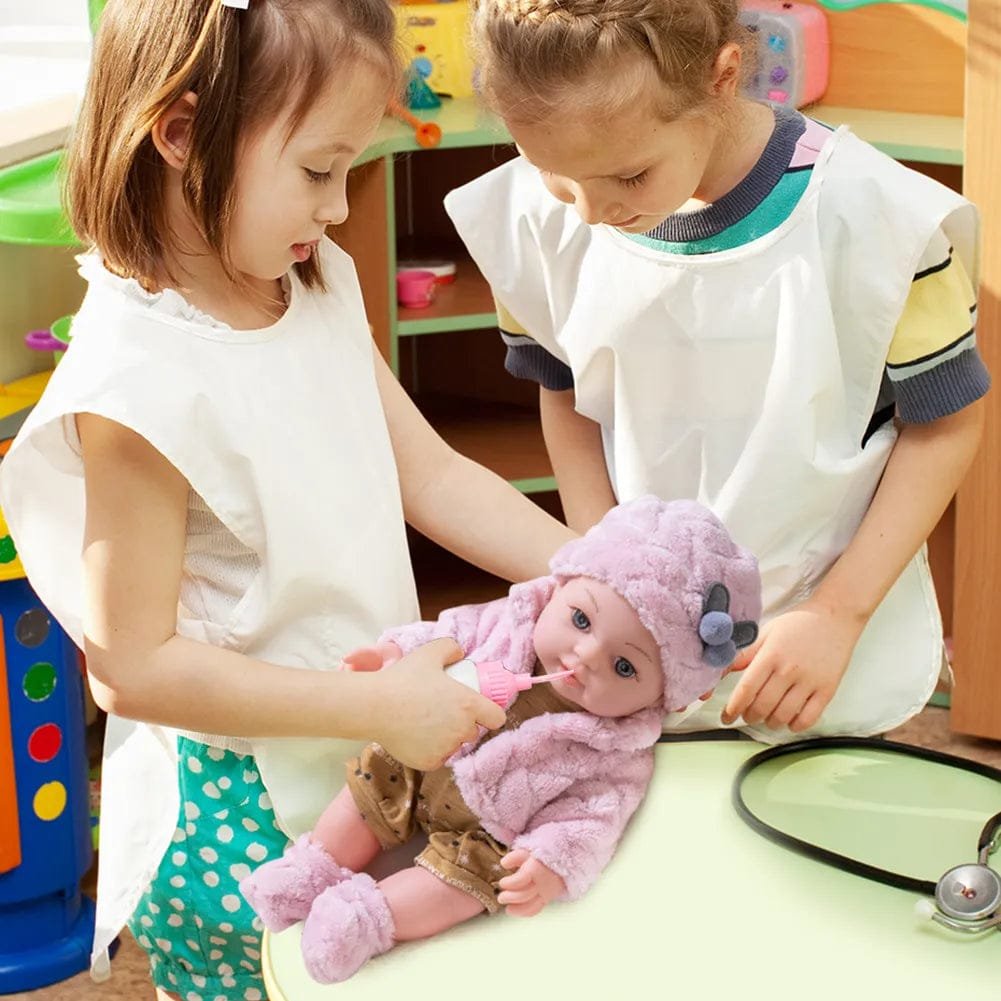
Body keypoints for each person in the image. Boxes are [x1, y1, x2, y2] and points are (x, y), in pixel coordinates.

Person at [0, 2, 576, 1000]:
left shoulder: (308, 279)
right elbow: (127, 669)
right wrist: (378, 704)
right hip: (239, 810)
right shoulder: (138, 380)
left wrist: (593, 575)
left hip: (358, 756)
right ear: (179, 133)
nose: (337, 205)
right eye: (317, 170)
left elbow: (429, 474)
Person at [444, 0, 988, 742]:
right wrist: (600, 562)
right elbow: (564, 389)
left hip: (812, 638)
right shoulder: (536, 217)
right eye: (556, 177)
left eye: (629, 176)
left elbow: (947, 425)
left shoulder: (877, 222)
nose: (592, 211)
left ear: (722, 77)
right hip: (625, 643)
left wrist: (839, 612)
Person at [239, 496, 761, 983]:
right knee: (369, 786)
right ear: (559, 586)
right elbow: (442, 639)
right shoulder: (503, 622)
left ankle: (370, 918)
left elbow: (590, 818)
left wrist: (549, 866)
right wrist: (393, 657)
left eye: (623, 666)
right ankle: (315, 867)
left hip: (486, 832)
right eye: (580, 619)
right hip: (417, 761)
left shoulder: (616, 751)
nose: (583, 657)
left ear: (660, 698)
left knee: (465, 883)